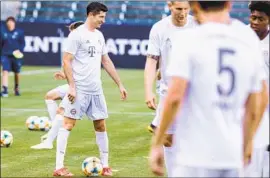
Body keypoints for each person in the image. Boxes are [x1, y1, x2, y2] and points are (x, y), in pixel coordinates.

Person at [149, 1, 268, 177]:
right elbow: (260, 96)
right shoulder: (247, 37)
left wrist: (157, 143)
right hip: (232, 153)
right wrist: (248, 141)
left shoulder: (189, 38)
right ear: (229, 4)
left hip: (195, 155)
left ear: (194, 6)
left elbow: (174, 97)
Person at [53, 2, 127, 177]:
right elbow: (66, 60)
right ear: (92, 15)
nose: (103, 20)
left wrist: (120, 84)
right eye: (101, 16)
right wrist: (71, 87)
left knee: (101, 125)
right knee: (68, 124)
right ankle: (59, 167)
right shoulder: (76, 35)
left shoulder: (99, 35)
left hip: (96, 90)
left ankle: (106, 165)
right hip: (79, 90)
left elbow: (106, 61)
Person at [144, 1, 196, 176]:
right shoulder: (159, 28)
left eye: (186, 9)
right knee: (168, 139)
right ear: (170, 6)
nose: (182, 13)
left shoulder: (198, 25)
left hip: (195, 93)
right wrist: (148, 90)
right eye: (178, 9)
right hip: (168, 91)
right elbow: (151, 61)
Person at [30, 21, 84, 150]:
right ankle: (55, 131)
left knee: (61, 112)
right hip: (72, 85)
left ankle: (49, 141)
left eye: (72, 32)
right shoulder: (74, 46)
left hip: (80, 87)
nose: (70, 35)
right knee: (49, 96)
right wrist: (64, 74)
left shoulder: (82, 47)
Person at [244, 1, 269, 177]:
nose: (255, 21)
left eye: (260, 19)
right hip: (248, 108)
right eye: (253, 17)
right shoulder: (241, 37)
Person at [1, 16, 25, 97]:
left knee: (17, 72)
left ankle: (16, 87)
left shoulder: (19, 32)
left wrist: (20, 50)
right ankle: (5, 90)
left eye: (11, 22)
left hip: (16, 56)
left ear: (14, 23)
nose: (10, 23)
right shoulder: (3, 32)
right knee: (5, 71)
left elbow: (23, 43)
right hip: (5, 55)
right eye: (8, 22)